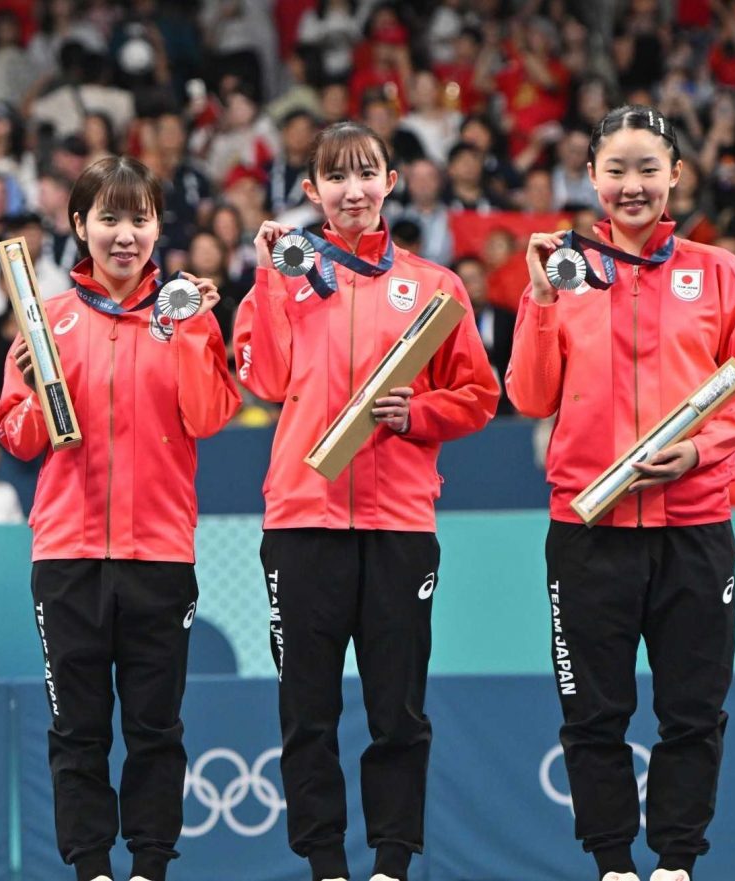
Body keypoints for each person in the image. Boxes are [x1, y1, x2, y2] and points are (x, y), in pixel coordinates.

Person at [506, 106, 735, 881]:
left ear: (676, 177)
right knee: (594, 714)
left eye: (647, 169)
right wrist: (536, 302)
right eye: (616, 170)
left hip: (694, 525)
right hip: (587, 525)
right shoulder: (561, 271)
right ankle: (612, 865)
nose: (632, 185)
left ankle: (674, 863)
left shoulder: (718, 270)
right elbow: (530, 398)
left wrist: (700, 448)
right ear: (590, 178)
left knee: (692, 711)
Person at [233, 121, 499, 881]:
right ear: (310, 188)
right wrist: (267, 277)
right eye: (336, 177)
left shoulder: (436, 286)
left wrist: (417, 415)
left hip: (398, 525)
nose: (354, 190)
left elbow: (480, 395)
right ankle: (324, 865)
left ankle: (390, 864)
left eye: (367, 173)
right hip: (302, 520)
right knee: (306, 713)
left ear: (391, 181)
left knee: (398, 710)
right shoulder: (288, 271)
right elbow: (265, 377)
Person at [0, 155, 240, 881]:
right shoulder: (49, 321)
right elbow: (14, 436)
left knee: (155, 727)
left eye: (139, 218)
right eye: (109, 218)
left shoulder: (186, 315)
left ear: (159, 226)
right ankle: (92, 867)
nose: (124, 235)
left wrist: (194, 329)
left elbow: (211, 413)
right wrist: (41, 392)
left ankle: (150, 867)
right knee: (78, 727)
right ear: (79, 226)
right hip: (66, 555)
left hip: (159, 554)